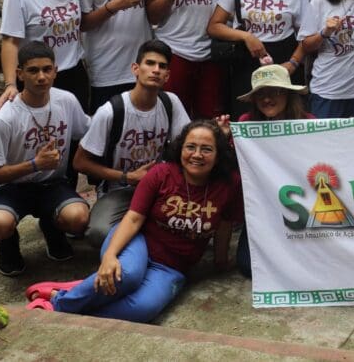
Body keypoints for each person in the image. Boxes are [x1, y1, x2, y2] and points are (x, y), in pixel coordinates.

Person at [24, 121, 239, 322]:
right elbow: (134, 218)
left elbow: (225, 225)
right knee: (127, 276)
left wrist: (220, 261)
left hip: (172, 267)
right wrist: (110, 256)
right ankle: (57, 304)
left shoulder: (227, 186)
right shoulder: (161, 174)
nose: (197, 155)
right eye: (190, 147)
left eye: (207, 149)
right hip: (137, 242)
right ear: (180, 149)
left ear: (218, 155)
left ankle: (70, 293)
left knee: (144, 308)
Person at [0, 42, 90, 276]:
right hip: (11, 187)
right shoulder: (4, 117)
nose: (41, 77)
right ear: (20, 74)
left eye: (47, 69)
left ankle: (52, 227)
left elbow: (89, 132)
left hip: (52, 184)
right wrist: (34, 165)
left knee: (78, 218)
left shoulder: (66, 101)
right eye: (33, 70)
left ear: (55, 71)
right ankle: (8, 244)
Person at [73, 40, 190, 249]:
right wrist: (128, 177)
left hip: (160, 187)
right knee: (98, 233)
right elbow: (80, 162)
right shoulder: (111, 111)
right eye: (150, 63)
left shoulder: (170, 102)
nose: (156, 70)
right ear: (135, 69)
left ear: (167, 76)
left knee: (190, 225)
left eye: (162, 66)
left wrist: (215, 131)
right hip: (119, 188)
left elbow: (187, 145)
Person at [208, 0, 308, 116]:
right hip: (246, 61)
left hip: (283, 61)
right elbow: (214, 26)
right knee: (247, 116)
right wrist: (246, 36)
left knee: (285, 116)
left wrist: (293, 63)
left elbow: (306, 35)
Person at [233, 64, 313, 278]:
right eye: (261, 94)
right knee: (248, 266)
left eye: (274, 92)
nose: (267, 99)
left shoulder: (309, 123)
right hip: (263, 206)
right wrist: (226, 140)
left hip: (301, 203)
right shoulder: (246, 124)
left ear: (287, 94)